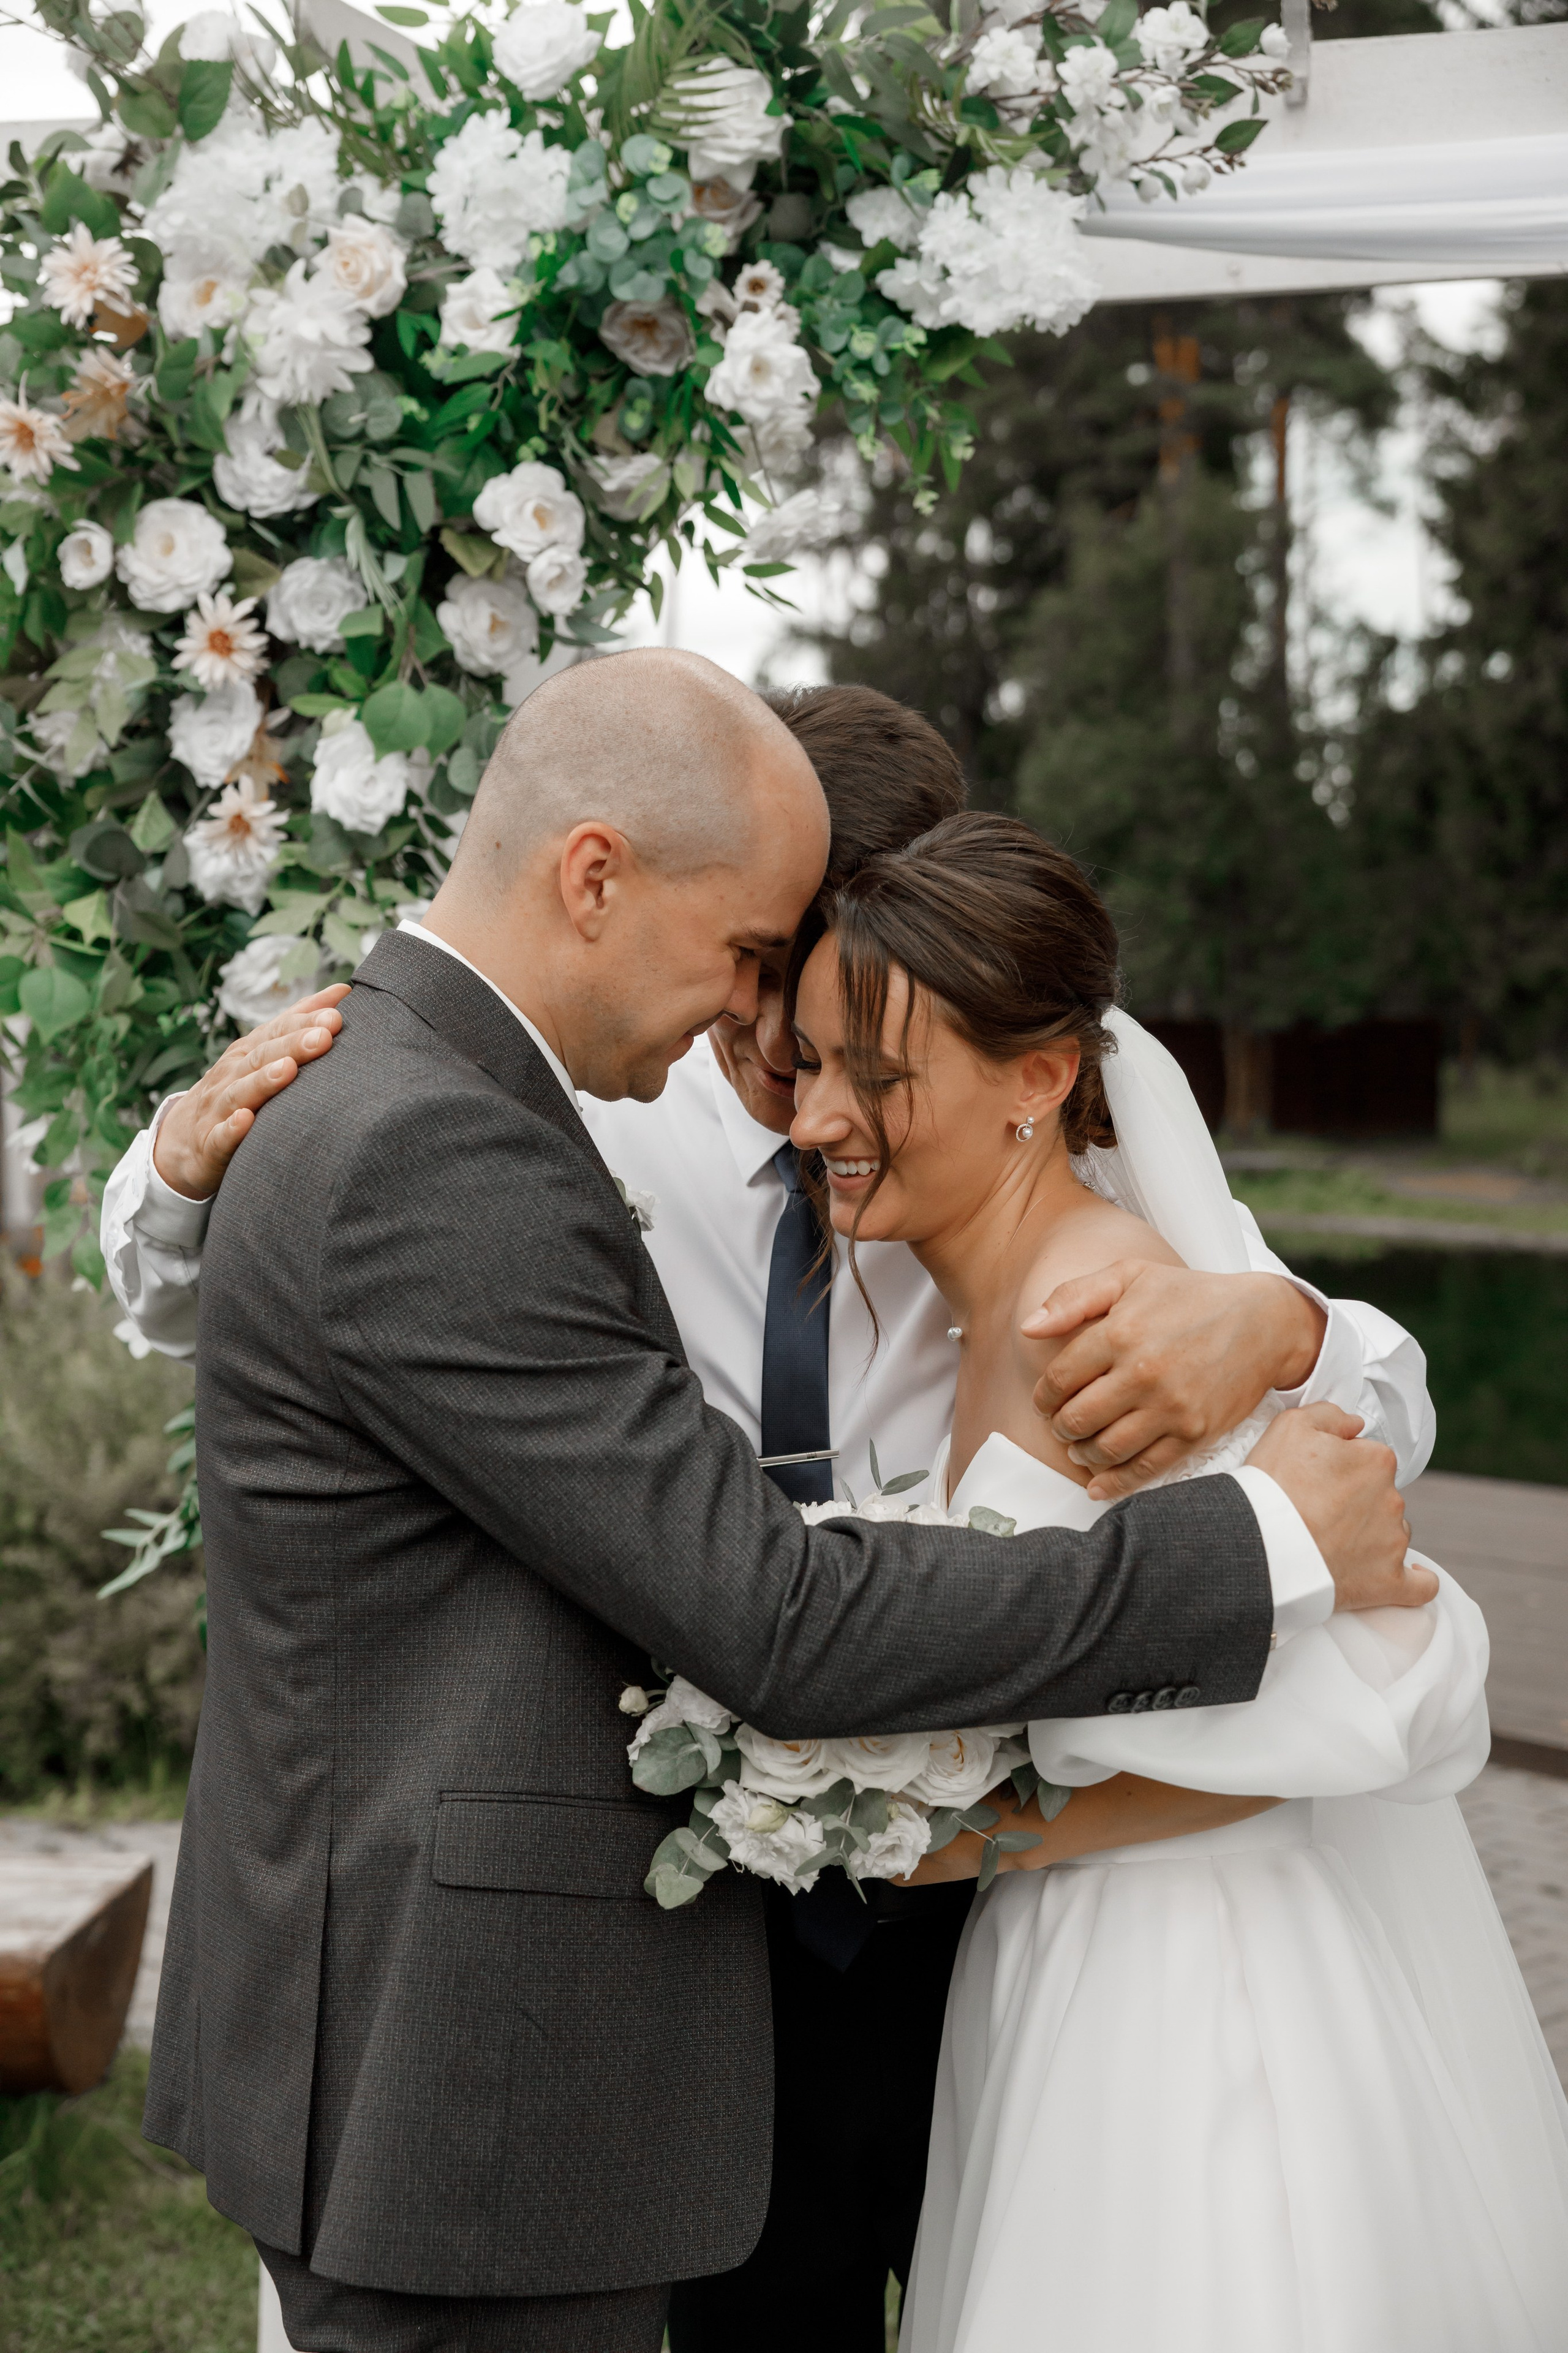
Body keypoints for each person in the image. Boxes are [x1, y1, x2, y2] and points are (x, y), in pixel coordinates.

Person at [106, 680, 1440, 2353]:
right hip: (660, 1930)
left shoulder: (1032, 1149)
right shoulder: (552, 1096)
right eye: (759, 983)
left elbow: (1359, 1464)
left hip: (974, 1933)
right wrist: (166, 1165)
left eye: (838, 1037)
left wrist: (1294, 1331)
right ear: (609, 878)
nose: (784, 1071)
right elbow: (766, 1603)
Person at [786, 812, 1568, 2353]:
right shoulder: (978, 1302)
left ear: (1038, 1077)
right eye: (804, 1063)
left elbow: (1317, 1721)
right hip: (1063, 1948)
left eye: (877, 1075)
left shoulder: (1113, 1328)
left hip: (1184, 1978)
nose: (820, 1115)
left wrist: (956, 1841)